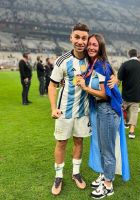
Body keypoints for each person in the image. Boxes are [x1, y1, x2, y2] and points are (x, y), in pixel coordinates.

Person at [77, 33, 129, 199]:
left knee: (107, 150)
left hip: (107, 110)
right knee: (102, 147)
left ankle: (108, 185)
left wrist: (85, 88)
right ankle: (104, 176)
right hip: (101, 110)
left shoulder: (99, 65)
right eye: (90, 44)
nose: (91, 47)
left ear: (100, 48)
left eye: (95, 45)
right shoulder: (94, 64)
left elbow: (104, 94)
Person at [48, 23, 91, 196]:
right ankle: (58, 176)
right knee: (62, 142)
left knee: (79, 141)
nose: (80, 41)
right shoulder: (62, 60)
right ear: (71, 38)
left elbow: (106, 70)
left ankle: (76, 173)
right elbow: (52, 86)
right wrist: (53, 108)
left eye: (84, 38)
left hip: (83, 111)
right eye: (77, 37)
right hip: (64, 110)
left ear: (87, 40)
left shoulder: (92, 59)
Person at [117, 49, 140, 139]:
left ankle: (125, 124)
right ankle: (131, 132)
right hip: (137, 92)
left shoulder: (125, 65)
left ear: (128, 54)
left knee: (124, 109)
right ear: (137, 54)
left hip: (126, 92)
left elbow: (119, 78)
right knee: (134, 112)